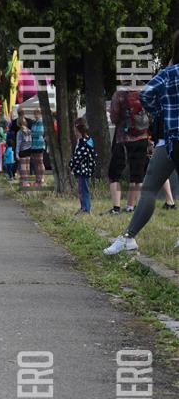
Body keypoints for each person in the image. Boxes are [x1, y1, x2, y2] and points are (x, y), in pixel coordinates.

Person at [104, 31, 179, 254]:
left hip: (171, 139)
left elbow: (145, 95)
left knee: (149, 189)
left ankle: (129, 237)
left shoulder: (169, 73)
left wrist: (160, 112)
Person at [106, 83, 150, 214]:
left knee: (114, 174)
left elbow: (114, 118)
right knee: (138, 175)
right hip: (142, 137)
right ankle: (132, 206)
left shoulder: (119, 94)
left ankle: (116, 208)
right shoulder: (145, 92)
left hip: (123, 139)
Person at [69, 118, 96, 214]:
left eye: (75, 129)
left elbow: (78, 156)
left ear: (78, 130)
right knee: (83, 189)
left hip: (83, 170)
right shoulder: (88, 140)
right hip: (86, 169)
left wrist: (71, 164)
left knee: (83, 190)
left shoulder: (83, 143)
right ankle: (84, 207)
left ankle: (85, 208)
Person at [30, 108, 46, 185]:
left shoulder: (41, 121)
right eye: (34, 113)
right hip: (33, 145)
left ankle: (42, 178)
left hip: (39, 144)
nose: (35, 114)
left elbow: (40, 133)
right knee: (35, 163)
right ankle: (37, 179)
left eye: (37, 113)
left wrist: (31, 134)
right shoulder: (34, 122)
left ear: (40, 113)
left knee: (40, 161)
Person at [16, 121, 32, 186]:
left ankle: (24, 182)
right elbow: (31, 141)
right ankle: (27, 181)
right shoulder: (29, 131)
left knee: (23, 167)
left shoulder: (19, 132)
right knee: (28, 166)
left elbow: (18, 143)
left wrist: (17, 153)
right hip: (29, 150)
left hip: (22, 150)